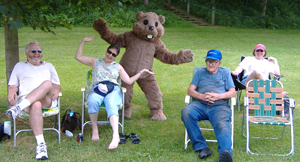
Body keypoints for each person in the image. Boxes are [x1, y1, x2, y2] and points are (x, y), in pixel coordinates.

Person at [75, 35, 154, 150]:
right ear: (106, 51)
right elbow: (78, 56)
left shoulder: (118, 67)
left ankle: (115, 135)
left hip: (113, 89)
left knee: (112, 104)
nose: (110, 55)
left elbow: (129, 80)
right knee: (92, 101)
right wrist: (83, 41)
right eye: (109, 52)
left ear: (116, 57)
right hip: (98, 88)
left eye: (113, 55)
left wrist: (141, 72)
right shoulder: (95, 61)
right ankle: (94, 129)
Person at [5, 42, 61, 160]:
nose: (37, 54)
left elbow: (56, 84)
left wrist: (56, 89)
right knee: (36, 104)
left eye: (39, 51)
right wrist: (11, 91)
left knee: (47, 83)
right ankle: (41, 146)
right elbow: (12, 85)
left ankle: (18, 108)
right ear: (26, 53)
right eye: (33, 51)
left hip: (47, 99)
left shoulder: (49, 66)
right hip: (28, 100)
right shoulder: (19, 66)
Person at [181, 49, 235, 162]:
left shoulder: (225, 72)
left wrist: (218, 96)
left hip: (219, 105)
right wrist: (201, 96)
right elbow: (190, 90)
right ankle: (201, 147)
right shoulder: (200, 72)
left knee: (221, 123)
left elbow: (232, 92)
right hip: (200, 103)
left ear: (219, 63)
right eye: (208, 61)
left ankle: (225, 153)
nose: (210, 64)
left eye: (213, 62)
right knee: (186, 112)